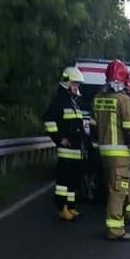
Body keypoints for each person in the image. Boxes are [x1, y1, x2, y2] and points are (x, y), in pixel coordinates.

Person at [92, 59, 130, 241]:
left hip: (105, 154)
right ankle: (115, 230)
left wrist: (96, 149)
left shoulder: (98, 98)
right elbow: (129, 132)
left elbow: (93, 128)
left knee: (114, 189)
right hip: (121, 156)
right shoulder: (124, 100)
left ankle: (120, 223)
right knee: (118, 192)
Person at [42, 66, 86, 221]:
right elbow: (48, 120)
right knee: (63, 181)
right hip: (66, 150)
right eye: (74, 84)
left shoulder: (73, 102)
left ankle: (71, 206)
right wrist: (59, 139)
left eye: (77, 85)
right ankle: (62, 208)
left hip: (75, 149)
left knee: (73, 180)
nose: (76, 88)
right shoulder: (60, 101)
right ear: (67, 83)